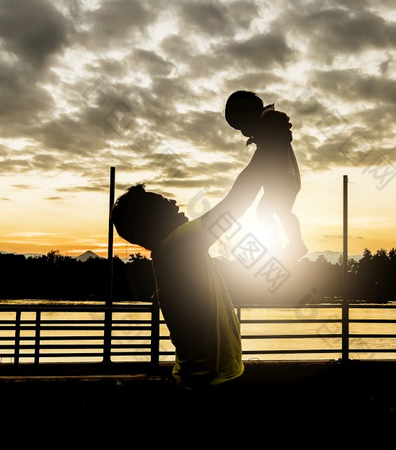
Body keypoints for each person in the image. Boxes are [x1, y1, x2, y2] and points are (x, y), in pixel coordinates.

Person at [110, 154, 264, 389]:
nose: (173, 202)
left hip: (200, 377)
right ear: (152, 221)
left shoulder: (167, 253)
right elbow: (237, 203)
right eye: (163, 203)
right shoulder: (178, 245)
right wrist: (266, 147)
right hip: (212, 382)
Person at [224, 90, 307, 261]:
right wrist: (258, 138)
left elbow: (283, 132)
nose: (243, 132)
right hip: (279, 179)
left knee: (276, 211)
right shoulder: (264, 124)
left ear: (251, 113)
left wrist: (264, 136)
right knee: (268, 212)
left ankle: (293, 244)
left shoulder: (270, 119)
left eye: (242, 126)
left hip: (285, 177)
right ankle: (281, 244)